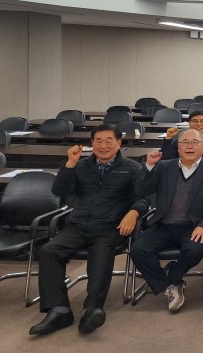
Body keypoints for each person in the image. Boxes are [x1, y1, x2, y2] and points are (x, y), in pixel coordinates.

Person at [29, 125, 144, 336]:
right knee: (48, 251)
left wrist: (133, 213)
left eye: (109, 140)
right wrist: (70, 164)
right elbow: (59, 190)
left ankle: (91, 309)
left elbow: (143, 198)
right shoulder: (80, 166)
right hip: (79, 225)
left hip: (110, 227)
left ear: (119, 143)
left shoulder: (132, 168)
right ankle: (59, 310)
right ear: (92, 144)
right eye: (98, 141)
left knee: (100, 256)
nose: (103, 145)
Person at [128, 129, 203, 312]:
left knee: (195, 249)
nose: (190, 146)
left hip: (193, 226)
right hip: (163, 225)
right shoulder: (164, 166)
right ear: (178, 147)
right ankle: (170, 286)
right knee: (138, 249)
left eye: (194, 142)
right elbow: (142, 190)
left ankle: (172, 274)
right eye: (185, 142)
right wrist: (148, 166)